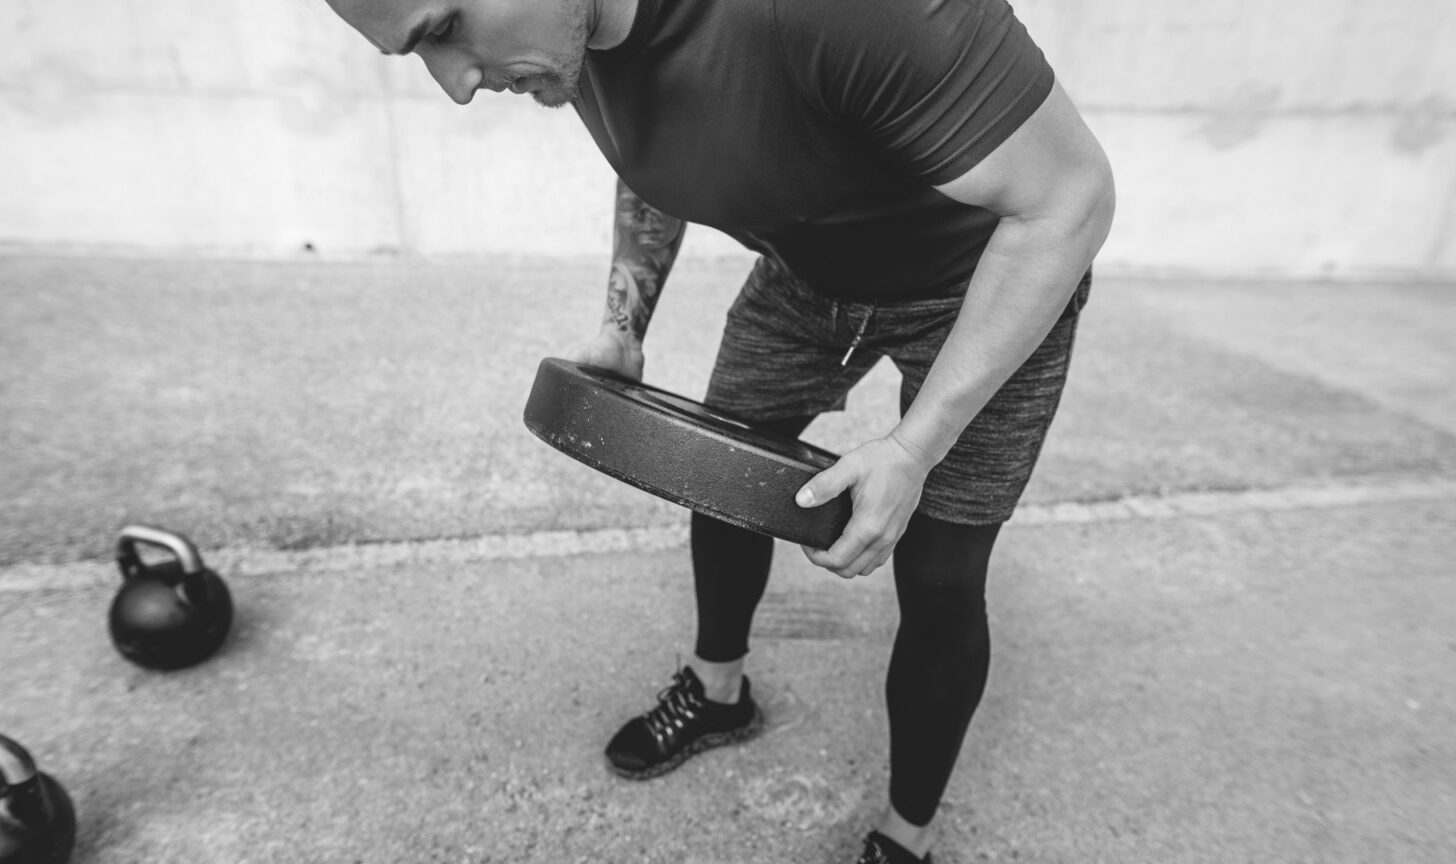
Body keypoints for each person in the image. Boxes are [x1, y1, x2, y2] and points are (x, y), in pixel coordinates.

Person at [324, 0, 1115, 860]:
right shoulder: (569, 40)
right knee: (723, 481)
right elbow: (658, 153)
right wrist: (625, 322)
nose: (455, 86)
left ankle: (905, 835)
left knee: (941, 574)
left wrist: (914, 446)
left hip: (987, 286)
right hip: (804, 279)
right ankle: (717, 690)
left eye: (441, 28)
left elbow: (1068, 202)